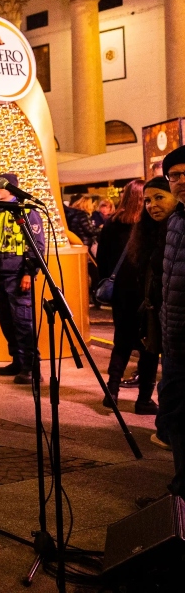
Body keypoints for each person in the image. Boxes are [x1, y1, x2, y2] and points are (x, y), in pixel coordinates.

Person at [106, 178, 168, 414]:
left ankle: (111, 391)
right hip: (145, 297)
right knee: (149, 347)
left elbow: (103, 261)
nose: (151, 205)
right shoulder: (150, 226)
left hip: (122, 296)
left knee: (121, 342)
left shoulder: (114, 224)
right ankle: (143, 399)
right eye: (147, 199)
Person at [0, 173, 44, 386]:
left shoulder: (27, 212)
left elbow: (37, 246)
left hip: (17, 274)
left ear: (12, 189)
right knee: (7, 320)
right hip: (0, 272)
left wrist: (29, 272)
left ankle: (31, 367)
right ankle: (17, 361)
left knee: (23, 321)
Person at [159, 146, 185, 489]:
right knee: (177, 420)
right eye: (174, 176)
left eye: (184, 173)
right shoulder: (176, 219)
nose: (180, 181)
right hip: (176, 340)